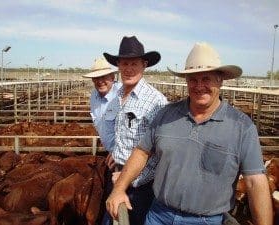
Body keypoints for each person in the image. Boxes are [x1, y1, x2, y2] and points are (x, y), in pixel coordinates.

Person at [106, 42, 273, 225]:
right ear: (186, 81)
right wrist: (119, 189)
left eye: (206, 79)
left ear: (220, 80)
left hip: (205, 220)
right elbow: (142, 151)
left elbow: (255, 182)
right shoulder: (166, 114)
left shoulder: (242, 127)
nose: (199, 86)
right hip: (158, 214)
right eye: (193, 79)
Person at [102, 36, 168, 225]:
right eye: (124, 63)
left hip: (141, 186)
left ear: (144, 64)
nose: (129, 68)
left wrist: (129, 179)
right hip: (116, 175)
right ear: (118, 65)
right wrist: (115, 151)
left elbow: (158, 150)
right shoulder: (117, 97)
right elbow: (120, 131)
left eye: (134, 63)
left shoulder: (156, 101)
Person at [83, 57, 121, 156]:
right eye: (96, 78)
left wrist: (119, 152)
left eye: (104, 77)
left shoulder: (123, 95)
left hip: (124, 154)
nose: (100, 81)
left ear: (112, 77)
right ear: (92, 80)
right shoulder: (94, 96)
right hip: (108, 151)